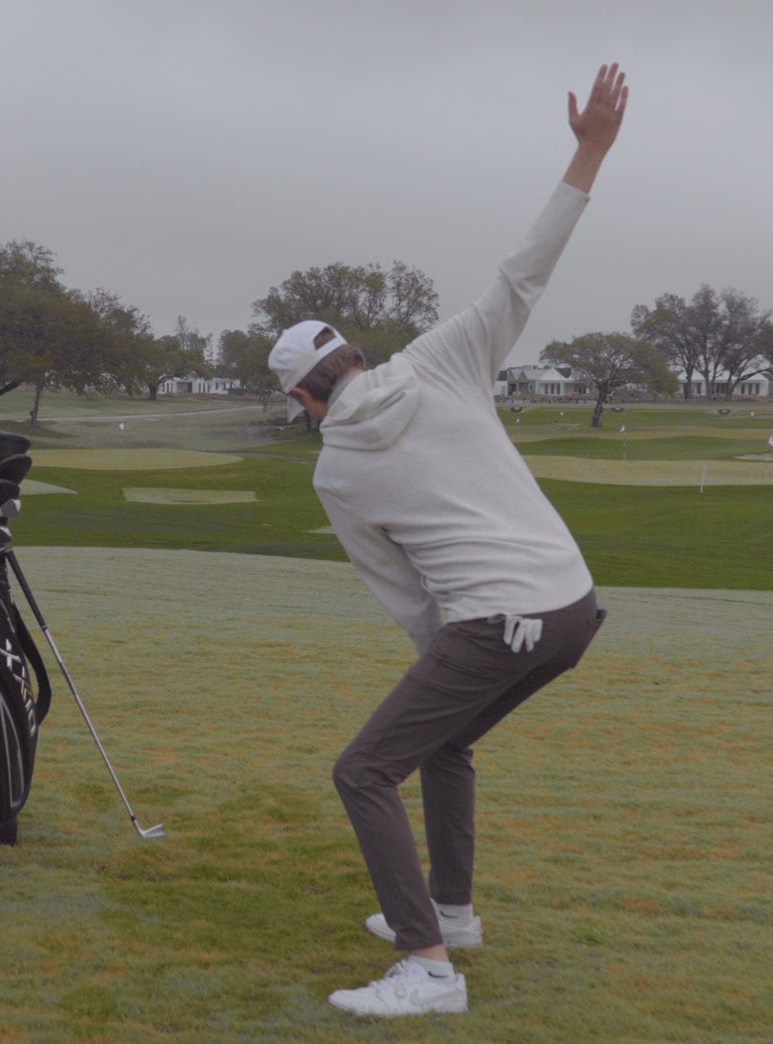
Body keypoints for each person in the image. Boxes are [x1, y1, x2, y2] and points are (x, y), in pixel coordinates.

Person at [270, 65, 628, 1016]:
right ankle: (452, 912)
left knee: (364, 769)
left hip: (495, 620)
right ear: (349, 355)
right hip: (575, 607)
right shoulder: (442, 357)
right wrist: (590, 148)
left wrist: (449, 660)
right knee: (445, 739)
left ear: (305, 396)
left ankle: (429, 969)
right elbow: (525, 272)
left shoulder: (333, 470)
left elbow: (404, 594)